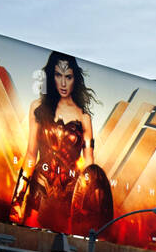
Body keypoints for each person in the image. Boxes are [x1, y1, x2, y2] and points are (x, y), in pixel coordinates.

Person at [9, 52, 112, 237]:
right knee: (29, 241)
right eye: (58, 75)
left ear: (75, 79)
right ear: (51, 76)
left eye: (68, 77)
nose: (63, 83)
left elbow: (89, 165)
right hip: (40, 187)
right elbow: (31, 154)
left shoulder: (84, 117)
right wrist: (18, 198)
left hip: (70, 195)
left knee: (66, 249)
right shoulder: (38, 107)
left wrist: (88, 204)